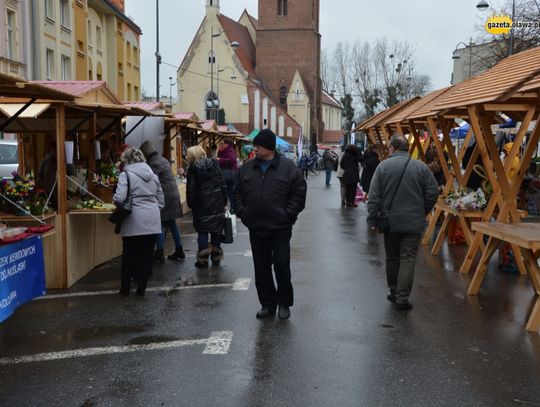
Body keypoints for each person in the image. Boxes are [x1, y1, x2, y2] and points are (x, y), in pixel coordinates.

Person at [236, 129, 307, 320]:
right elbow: (237, 193)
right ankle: (267, 304)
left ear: (268, 147)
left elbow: (299, 192)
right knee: (261, 268)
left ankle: (284, 303)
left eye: (257, 146)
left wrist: (289, 214)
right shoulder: (246, 168)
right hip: (256, 227)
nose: (254, 149)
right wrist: (243, 213)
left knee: (282, 265)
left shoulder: (288, 168)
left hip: (280, 227)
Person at [367, 134, 438, 310]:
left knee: (392, 258)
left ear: (392, 148)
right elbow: (433, 192)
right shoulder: (421, 167)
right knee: (408, 258)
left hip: (390, 221)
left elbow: (374, 197)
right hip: (413, 222)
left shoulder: (383, 167)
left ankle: (393, 290)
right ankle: (402, 297)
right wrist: (423, 210)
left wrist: (372, 220)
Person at [114, 147, 164, 296]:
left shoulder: (126, 175)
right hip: (152, 220)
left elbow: (119, 198)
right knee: (146, 256)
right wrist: (153, 210)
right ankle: (141, 289)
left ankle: (125, 289)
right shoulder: (153, 175)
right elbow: (161, 201)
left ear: (127, 160)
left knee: (129, 255)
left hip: (133, 220)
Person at [140, 140, 185, 263]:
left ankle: (159, 253)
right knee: (172, 223)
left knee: (159, 224)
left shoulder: (153, 163)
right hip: (173, 194)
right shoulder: (162, 159)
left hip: (165, 196)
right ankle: (179, 250)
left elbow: (148, 179)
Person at [186, 145, 228, 268]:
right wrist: (224, 201)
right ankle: (216, 257)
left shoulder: (193, 169)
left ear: (193, 156)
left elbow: (191, 190)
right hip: (217, 202)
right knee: (216, 230)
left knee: (203, 231)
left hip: (201, 205)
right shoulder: (215, 164)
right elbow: (222, 184)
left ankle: (203, 260)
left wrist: (191, 204)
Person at [218, 137, 239, 214]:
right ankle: (232, 208)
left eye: (222, 143)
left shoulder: (229, 151)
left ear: (227, 144)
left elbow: (232, 160)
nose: (221, 144)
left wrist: (220, 160)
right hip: (228, 174)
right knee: (229, 191)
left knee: (230, 191)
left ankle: (233, 208)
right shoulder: (225, 150)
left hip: (230, 174)